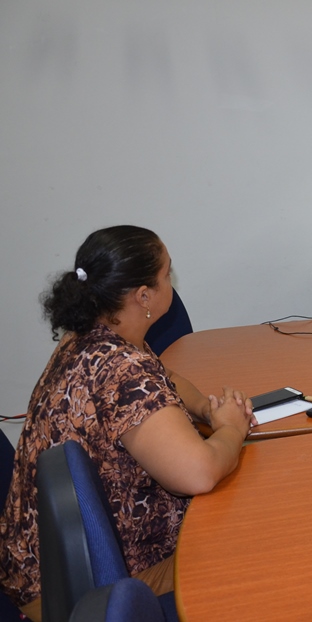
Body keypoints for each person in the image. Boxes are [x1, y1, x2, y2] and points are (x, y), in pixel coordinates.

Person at [0, 226, 253, 621]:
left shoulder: (92, 336)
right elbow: (198, 473)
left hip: (48, 565)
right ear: (144, 296)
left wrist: (205, 408)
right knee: (252, 544)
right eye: (167, 274)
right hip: (91, 583)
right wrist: (232, 428)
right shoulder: (120, 369)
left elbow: (161, 374)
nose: (173, 280)